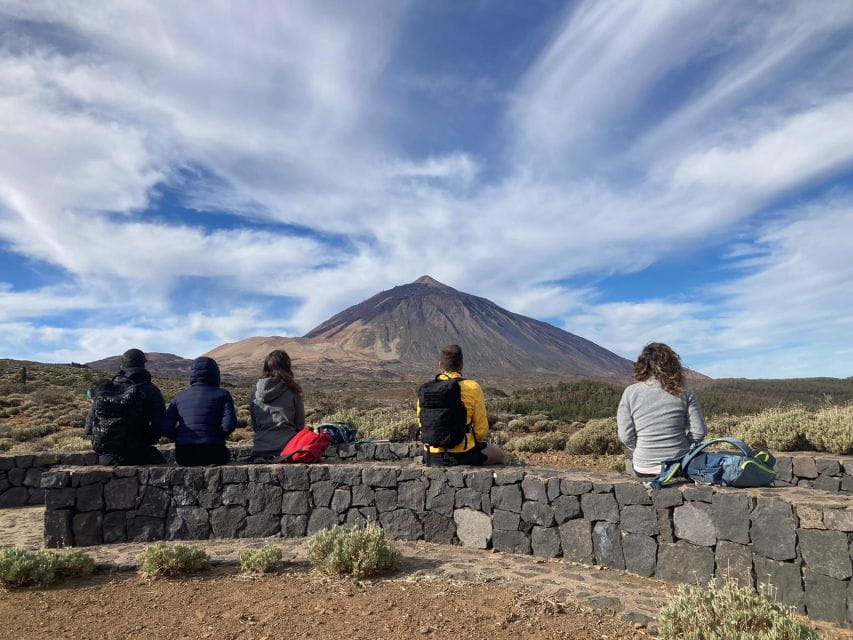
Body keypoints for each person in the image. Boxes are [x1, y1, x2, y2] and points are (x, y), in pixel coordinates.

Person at [617, 342, 707, 477]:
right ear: (673, 365)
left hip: (643, 468)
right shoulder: (684, 391)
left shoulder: (630, 393)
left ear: (643, 365)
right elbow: (699, 432)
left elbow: (625, 436)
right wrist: (683, 447)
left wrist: (642, 448)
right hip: (678, 467)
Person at [418, 344, 504, 466]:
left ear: (440, 365)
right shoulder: (472, 387)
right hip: (462, 455)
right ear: (461, 365)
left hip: (431, 456)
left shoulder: (426, 389)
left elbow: (421, 422)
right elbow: (481, 430)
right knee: (499, 455)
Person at [85, 349, 167, 465]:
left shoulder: (107, 389)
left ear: (122, 365)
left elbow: (89, 426)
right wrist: (148, 440)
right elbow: (159, 423)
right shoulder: (150, 389)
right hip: (139, 453)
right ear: (143, 365)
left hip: (107, 457)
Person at [161, 356, 236, 466]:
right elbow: (229, 425)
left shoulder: (180, 396)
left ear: (192, 374)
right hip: (214, 453)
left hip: (184, 455)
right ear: (216, 373)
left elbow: (165, 428)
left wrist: (181, 436)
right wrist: (215, 437)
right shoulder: (223, 394)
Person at [249, 350, 305, 460]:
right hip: (287, 451)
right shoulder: (293, 392)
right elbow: (300, 426)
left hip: (259, 450)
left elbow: (255, 426)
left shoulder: (255, 394)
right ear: (287, 367)